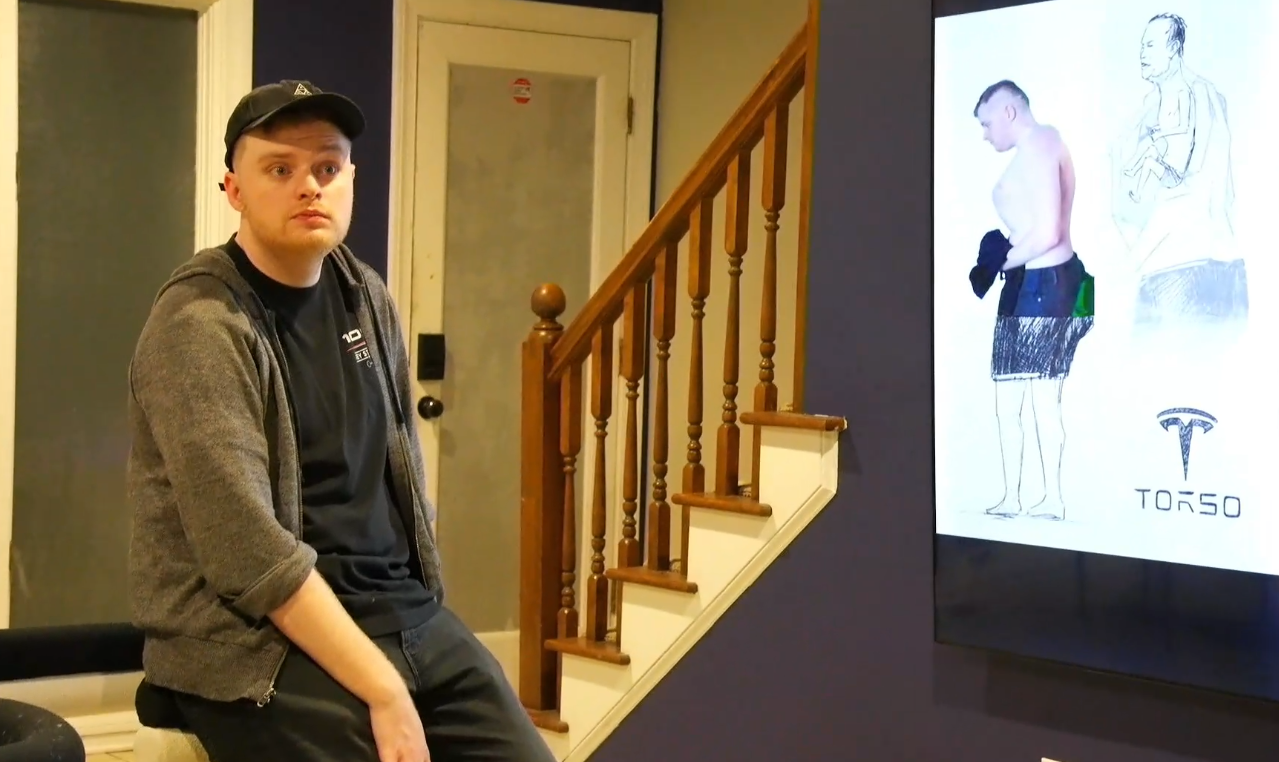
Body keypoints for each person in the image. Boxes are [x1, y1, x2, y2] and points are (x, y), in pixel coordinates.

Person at [126, 80, 555, 762]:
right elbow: (248, 556)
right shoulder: (199, 324)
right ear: (234, 190)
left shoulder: (365, 295)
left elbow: (401, 474)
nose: (309, 186)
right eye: (280, 169)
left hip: (400, 609)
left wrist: (420, 622)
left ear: (350, 180)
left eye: (327, 168)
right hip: (256, 639)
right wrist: (384, 691)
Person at [969, 80, 1094, 522]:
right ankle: (1016, 497)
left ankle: (1051, 498)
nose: (985, 135)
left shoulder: (1041, 142)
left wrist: (1000, 261)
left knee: (1041, 400)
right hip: (1034, 284)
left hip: (1044, 285)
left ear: (1008, 112)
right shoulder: (1040, 146)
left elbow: (1047, 232)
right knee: (1014, 402)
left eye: (987, 124)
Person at [1111, 13, 1246, 329]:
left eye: (1150, 45)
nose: (1141, 54)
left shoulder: (1193, 96)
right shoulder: (1165, 101)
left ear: (1173, 48)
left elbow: (1186, 185)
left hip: (1181, 268)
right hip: (1200, 264)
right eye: (1141, 46)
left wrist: (1133, 258)